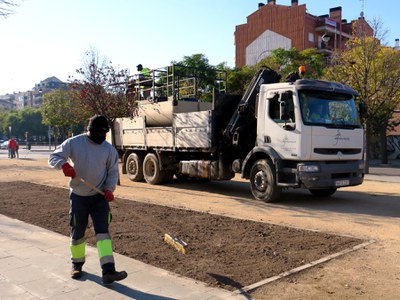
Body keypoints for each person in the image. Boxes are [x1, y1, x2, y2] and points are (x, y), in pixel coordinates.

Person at [48, 115, 127, 284]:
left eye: (104, 134)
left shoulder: (109, 149)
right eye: (98, 134)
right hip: (78, 197)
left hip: (99, 198)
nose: (101, 137)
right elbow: (53, 157)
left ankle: (108, 271)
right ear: (89, 131)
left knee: (103, 233)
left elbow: (113, 172)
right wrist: (63, 165)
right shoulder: (75, 143)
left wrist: (109, 189)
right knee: (78, 231)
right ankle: (76, 265)